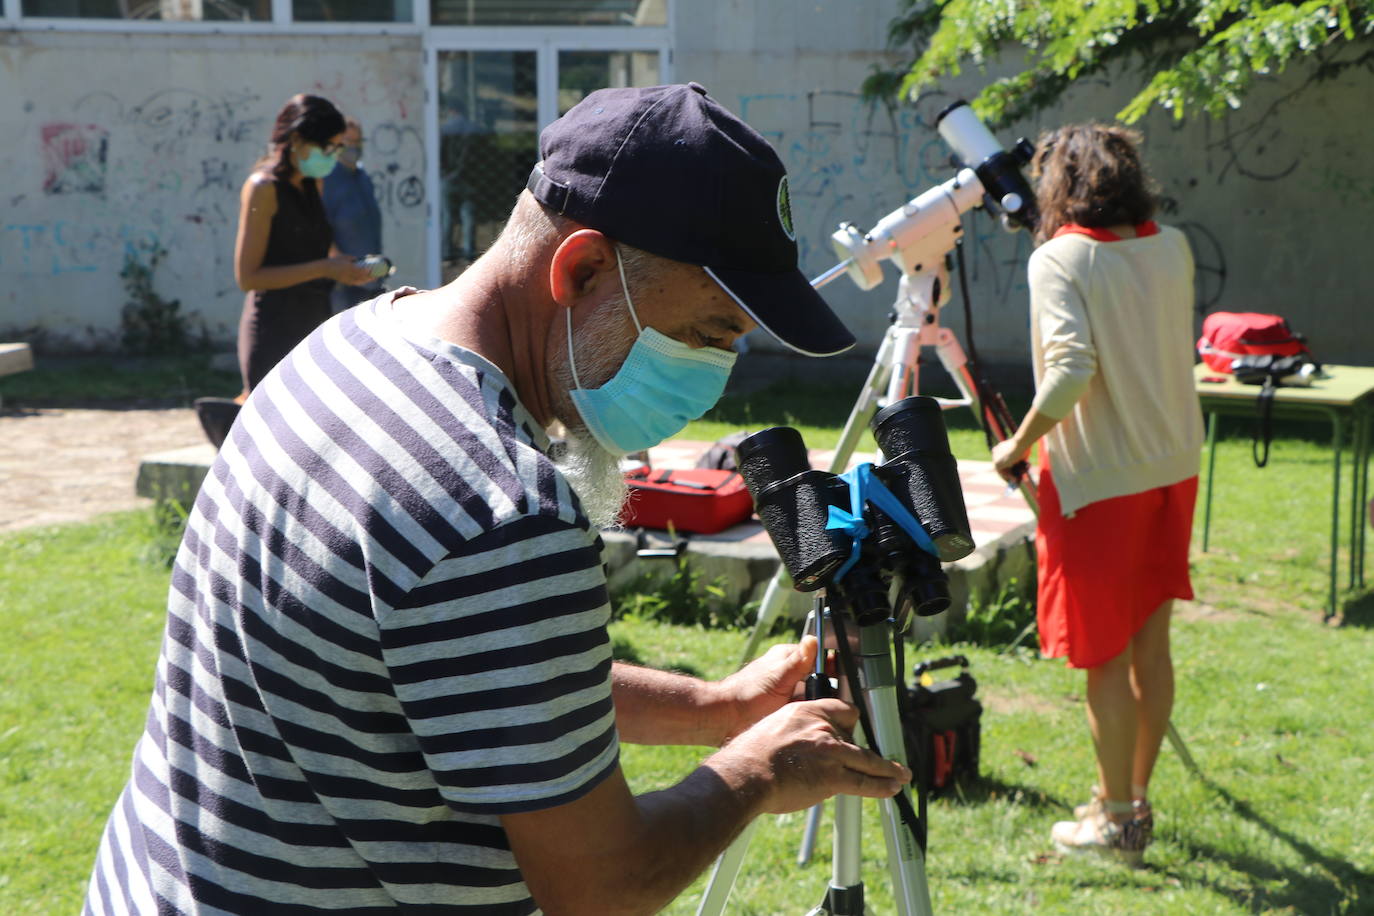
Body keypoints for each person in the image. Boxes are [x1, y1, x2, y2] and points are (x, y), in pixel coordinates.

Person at [83, 82, 910, 915]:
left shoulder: (347, 347)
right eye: (705, 334)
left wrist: (717, 707)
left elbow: (466, 673)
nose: (712, 381)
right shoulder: (503, 511)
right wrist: (758, 770)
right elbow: (600, 884)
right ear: (582, 269)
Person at [990, 123, 1204, 867]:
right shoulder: (1170, 245)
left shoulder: (1059, 259)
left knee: (1104, 662)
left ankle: (1115, 820)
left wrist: (1015, 447)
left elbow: (1070, 370)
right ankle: (1129, 802)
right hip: (1173, 468)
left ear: (1059, 186)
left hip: (1102, 486)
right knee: (1151, 645)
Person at [234, 94, 374, 396]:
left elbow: (313, 246)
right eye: (328, 147)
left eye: (338, 147)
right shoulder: (263, 188)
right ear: (296, 140)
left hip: (312, 321)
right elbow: (249, 277)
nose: (334, 156)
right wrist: (325, 268)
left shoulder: (314, 183)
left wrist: (347, 267)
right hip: (273, 328)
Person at [321, 117, 387, 314]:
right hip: (343, 283)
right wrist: (339, 263)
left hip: (371, 279)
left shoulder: (363, 176)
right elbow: (320, 229)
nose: (354, 147)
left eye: (358, 141)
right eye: (348, 142)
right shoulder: (327, 179)